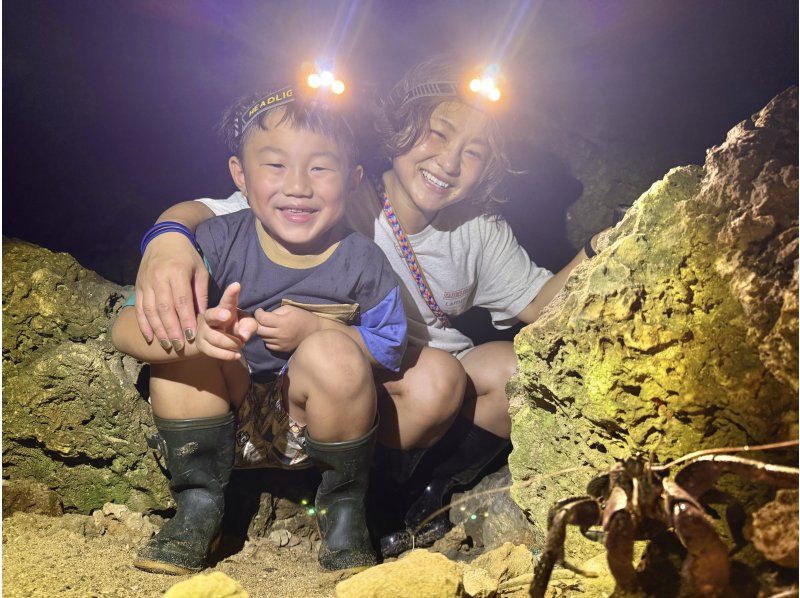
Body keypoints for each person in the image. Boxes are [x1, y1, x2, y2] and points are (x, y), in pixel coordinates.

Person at [131, 58, 607, 558]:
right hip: (334, 370)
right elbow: (216, 211)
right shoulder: (336, 188)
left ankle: (419, 495)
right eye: (436, 135)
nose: (448, 162)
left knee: (516, 371)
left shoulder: (481, 230)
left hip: (411, 374)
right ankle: (320, 495)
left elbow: (539, 305)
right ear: (399, 131)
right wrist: (167, 237)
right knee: (425, 378)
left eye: (473, 152)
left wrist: (596, 249)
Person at [111, 84, 408, 573]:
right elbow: (124, 328)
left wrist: (317, 333)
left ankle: (344, 515)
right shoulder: (216, 241)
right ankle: (198, 510)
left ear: (354, 180)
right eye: (275, 165)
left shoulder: (363, 260)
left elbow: (391, 345)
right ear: (240, 176)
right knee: (183, 361)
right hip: (222, 416)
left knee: (334, 352)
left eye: (320, 167)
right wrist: (193, 338)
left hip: (303, 426)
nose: (298, 185)